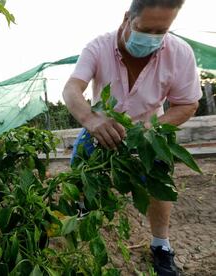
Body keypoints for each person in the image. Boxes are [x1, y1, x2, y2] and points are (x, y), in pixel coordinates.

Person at [62, 0, 202, 275]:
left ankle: (161, 246)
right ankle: (82, 220)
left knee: (159, 183)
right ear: (127, 18)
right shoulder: (98, 47)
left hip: (149, 133)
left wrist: (149, 131)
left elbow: (188, 104)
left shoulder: (179, 53)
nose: (151, 38)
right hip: (102, 129)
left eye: (160, 31)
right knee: (81, 174)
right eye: (144, 29)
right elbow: (71, 89)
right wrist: (92, 120)